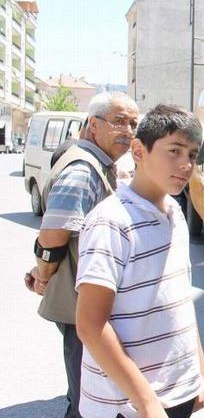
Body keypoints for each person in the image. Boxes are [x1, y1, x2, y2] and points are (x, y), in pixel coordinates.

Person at [75, 104, 204, 418]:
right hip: (128, 405)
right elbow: (91, 325)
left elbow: (180, 300)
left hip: (177, 393)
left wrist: (199, 370)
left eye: (192, 154)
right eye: (174, 150)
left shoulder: (175, 212)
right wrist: (146, 402)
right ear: (138, 151)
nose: (186, 164)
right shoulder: (111, 221)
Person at [23, 92, 138, 418]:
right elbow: (53, 236)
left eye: (133, 124)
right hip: (81, 306)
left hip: (86, 302)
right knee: (86, 401)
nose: (127, 131)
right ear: (93, 125)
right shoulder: (83, 170)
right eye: (119, 122)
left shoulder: (96, 164)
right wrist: (43, 275)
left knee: (91, 391)